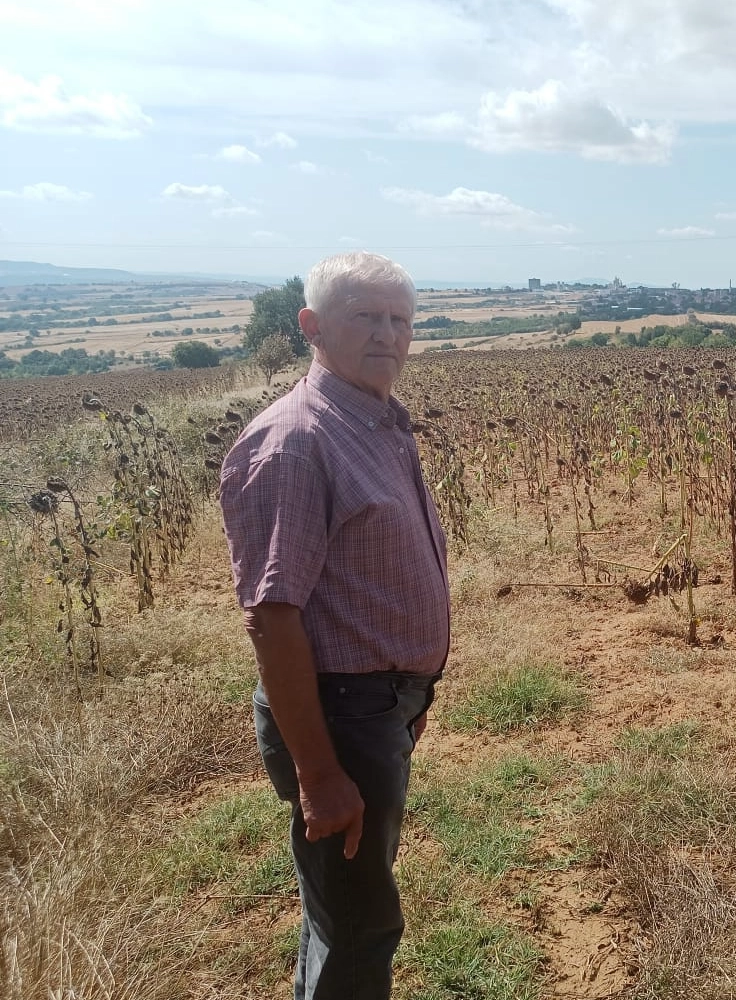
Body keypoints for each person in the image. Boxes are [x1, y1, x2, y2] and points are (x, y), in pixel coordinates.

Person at [220, 251, 449, 999]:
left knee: (340, 910)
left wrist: (412, 699)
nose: (387, 335)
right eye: (366, 317)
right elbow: (272, 616)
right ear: (312, 327)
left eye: (400, 320)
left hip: (375, 709)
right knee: (359, 927)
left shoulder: (376, 419)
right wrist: (320, 773)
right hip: (340, 717)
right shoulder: (296, 442)